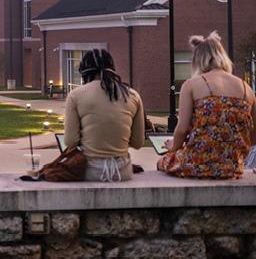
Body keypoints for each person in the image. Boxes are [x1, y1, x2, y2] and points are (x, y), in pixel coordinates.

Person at [158, 32, 254, 179]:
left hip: (197, 163)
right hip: (232, 166)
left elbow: (182, 128)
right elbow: (253, 135)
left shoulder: (191, 85)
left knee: (162, 162)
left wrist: (173, 147)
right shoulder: (246, 88)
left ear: (198, 60)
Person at [64, 49, 144, 182]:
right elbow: (138, 142)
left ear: (84, 72)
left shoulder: (76, 95)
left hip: (90, 171)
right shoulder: (133, 95)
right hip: (123, 172)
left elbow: (70, 141)